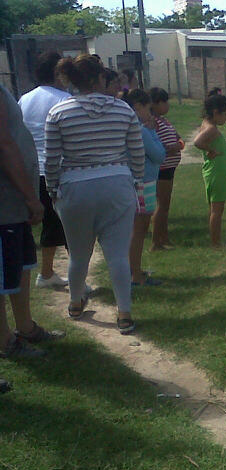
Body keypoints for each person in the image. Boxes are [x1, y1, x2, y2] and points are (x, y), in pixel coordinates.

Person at [45, 54, 144, 334]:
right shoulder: (123, 110)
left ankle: (76, 303)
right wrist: (135, 179)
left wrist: (53, 188)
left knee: (78, 254)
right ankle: (124, 313)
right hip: (117, 182)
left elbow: (52, 159)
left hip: (75, 185)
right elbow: (136, 152)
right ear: (100, 78)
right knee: (117, 255)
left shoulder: (59, 112)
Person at [0, 83, 64, 357]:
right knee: (4, 274)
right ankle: (5, 342)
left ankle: (25, 327)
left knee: (22, 266)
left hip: (13, 202)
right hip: (5, 201)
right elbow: (4, 143)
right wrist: (30, 196)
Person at [17, 51, 71, 290]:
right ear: (58, 73)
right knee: (68, 225)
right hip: (56, 168)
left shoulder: (24, 99)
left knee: (50, 223)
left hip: (30, 168)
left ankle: (47, 271)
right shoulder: (63, 99)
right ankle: (59, 274)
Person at [125, 90, 165, 286]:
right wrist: (152, 131)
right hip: (144, 182)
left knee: (136, 230)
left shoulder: (131, 128)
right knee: (138, 230)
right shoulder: (141, 130)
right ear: (136, 108)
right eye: (146, 109)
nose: (150, 114)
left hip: (138, 181)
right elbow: (159, 155)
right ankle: (135, 275)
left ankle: (135, 271)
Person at [194, 93, 226, 248]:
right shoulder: (211, 128)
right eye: (225, 114)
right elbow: (198, 142)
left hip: (215, 171)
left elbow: (206, 139)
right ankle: (216, 243)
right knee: (217, 210)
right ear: (216, 112)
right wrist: (211, 150)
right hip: (217, 172)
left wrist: (222, 144)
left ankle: (215, 240)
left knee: (215, 208)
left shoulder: (207, 124)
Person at [150, 87, 183, 251]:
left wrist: (178, 144)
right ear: (155, 104)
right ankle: (156, 242)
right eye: (164, 102)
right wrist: (170, 148)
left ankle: (164, 237)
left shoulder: (164, 121)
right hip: (162, 168)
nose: (167, 105)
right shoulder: (153, 122)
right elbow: (153, 142)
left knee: (165, 205)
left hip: (170, 167)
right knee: (161, 206)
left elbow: (177, 137)